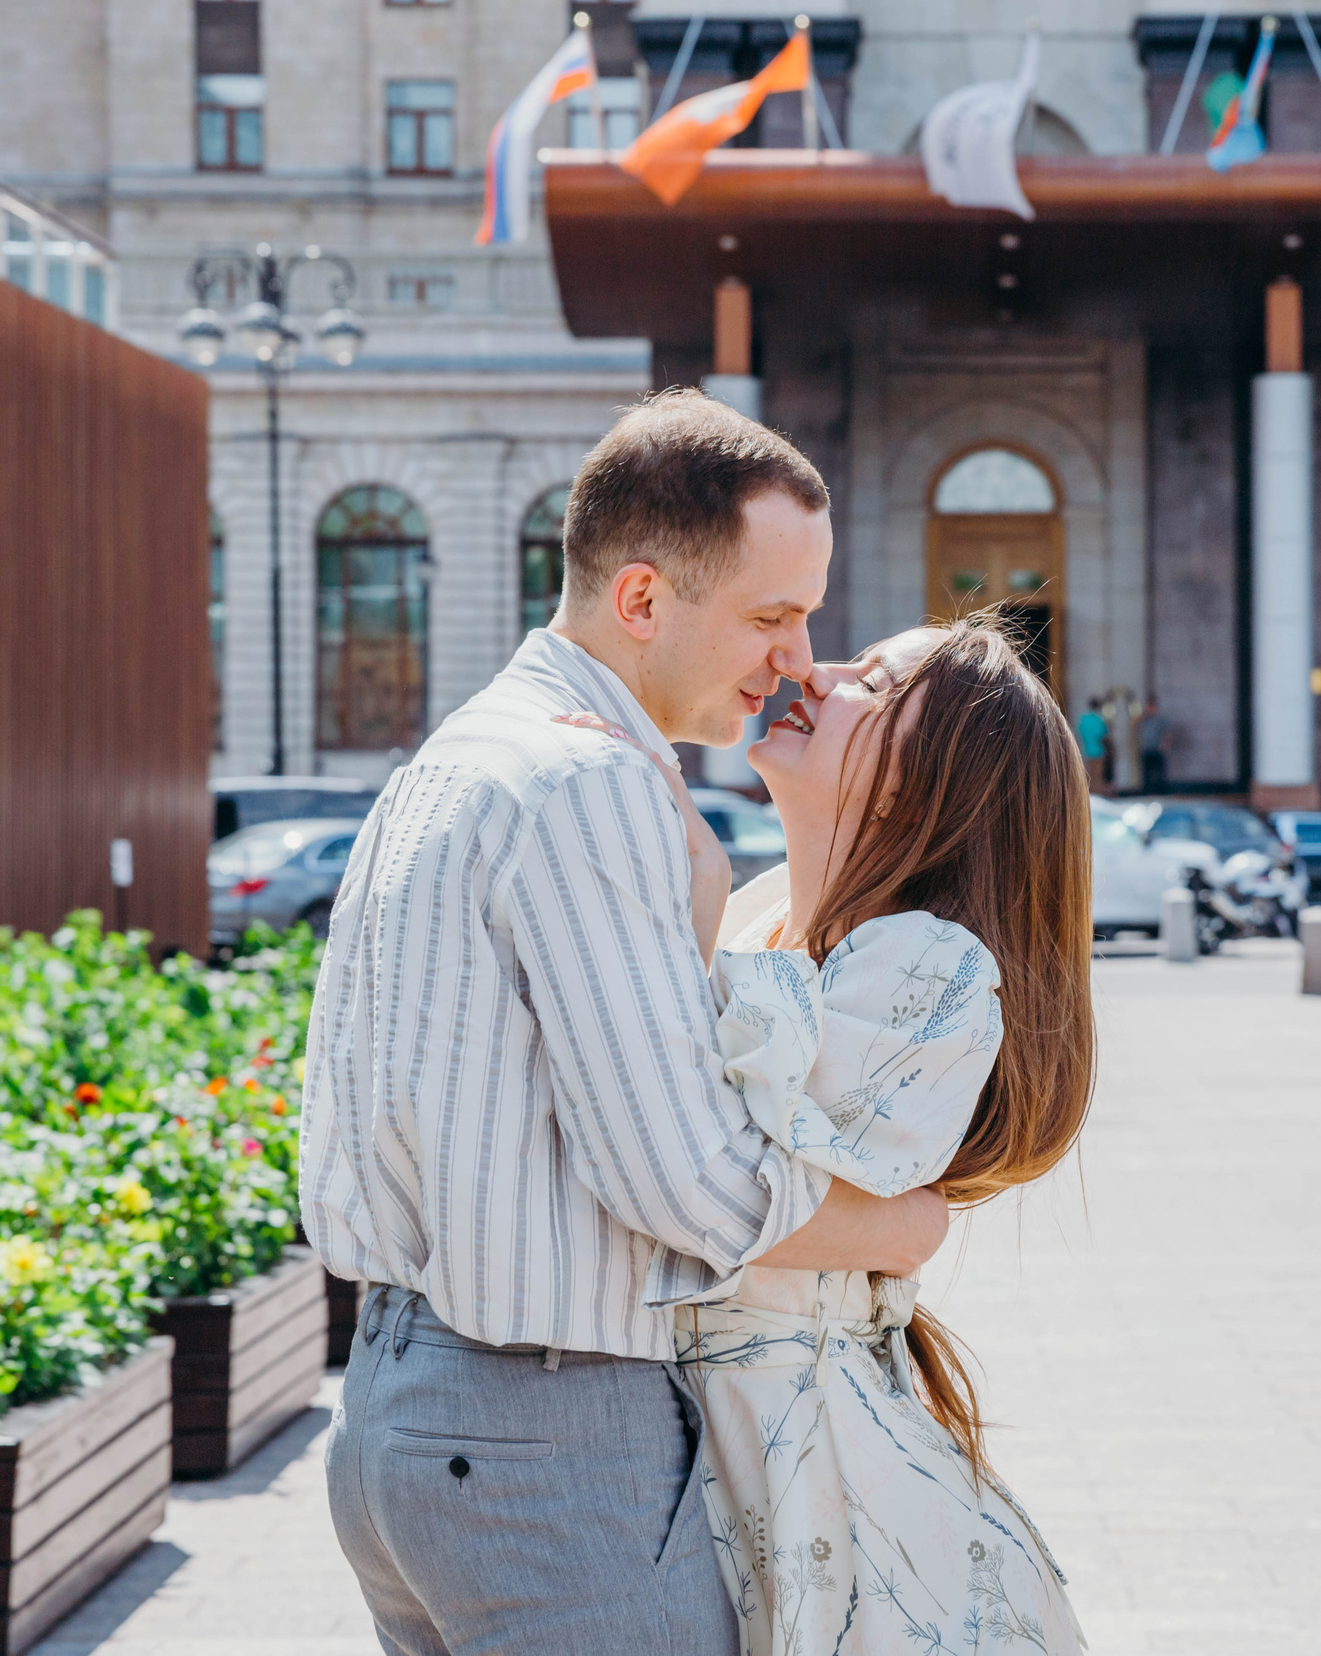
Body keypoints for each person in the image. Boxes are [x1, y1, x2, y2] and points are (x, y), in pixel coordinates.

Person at [302, 391, 951, 1656]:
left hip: (400, 1414)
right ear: (642, 600)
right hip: (544, 1436)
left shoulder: (457, 757)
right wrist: (900, 1227)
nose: (798, 659)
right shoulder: (588, 779)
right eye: (771, 616)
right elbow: (688, 1181)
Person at [682, 615, 1092, 1655]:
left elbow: (699, 1158)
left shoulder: (928, 962)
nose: (812, 673)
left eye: (872, 680)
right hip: (719, 1445)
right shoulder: (766, 913)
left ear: (926, 784)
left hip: (812, 1478)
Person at [1075, 695, 1111, 795]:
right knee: (1098, 776)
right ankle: (1098, 795)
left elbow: (1079, 735)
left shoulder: (1083, 719)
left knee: (1089, 775)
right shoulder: (1100, 719)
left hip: (1087, 751)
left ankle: (1090, 795)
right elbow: (1105, 735)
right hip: (1099, 751)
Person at [1138, 691, 1168, 794]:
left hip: (1157, 748)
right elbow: (1135, 725)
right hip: (1146, 748)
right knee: (1146, 773)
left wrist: (1165, 745)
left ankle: (1160, 791)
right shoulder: (1144, 718)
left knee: (1159, 772)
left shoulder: (1160, 718)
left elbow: (1166, 732)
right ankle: (1147, 792)